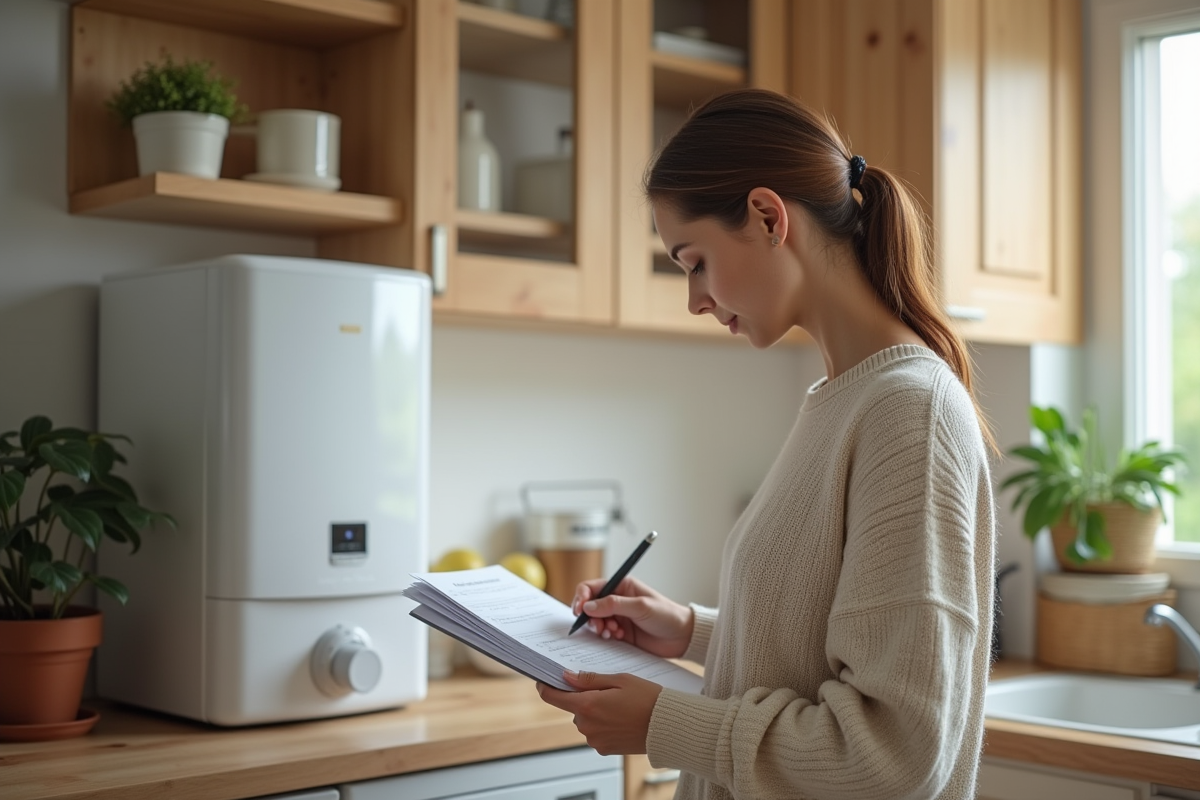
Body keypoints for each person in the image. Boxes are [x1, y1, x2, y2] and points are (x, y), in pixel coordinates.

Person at [534, 88, 998, 800]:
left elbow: (893, 754)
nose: (694, 298)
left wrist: (666, 723)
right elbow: (819, 652)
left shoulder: (909, 413)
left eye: (693, 261)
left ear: (766, 216)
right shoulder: (839, 399)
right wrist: (688, 631)